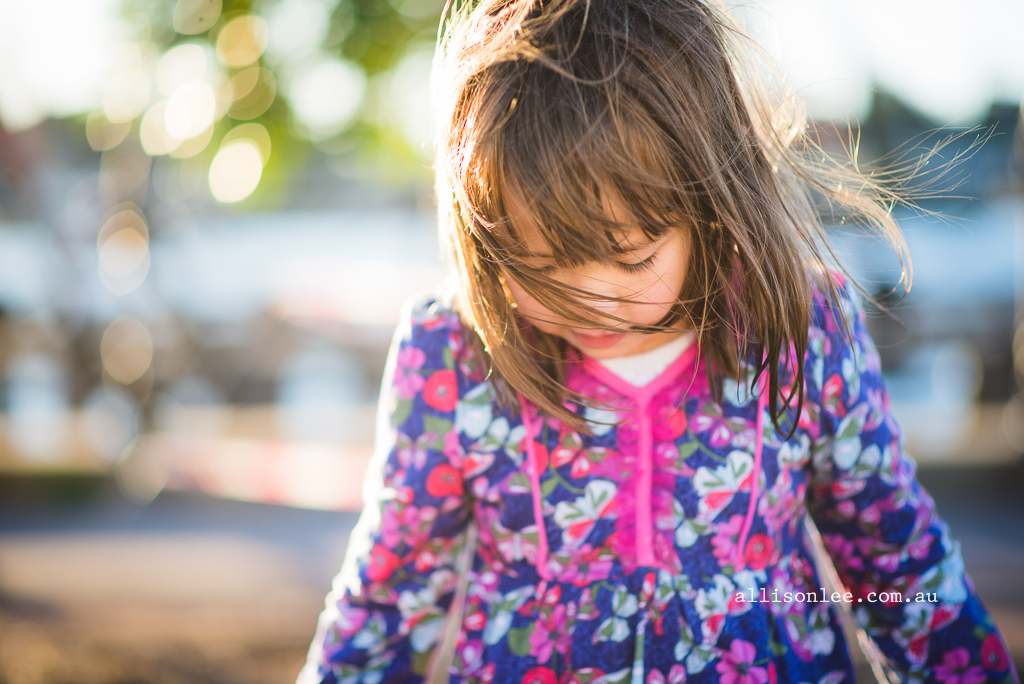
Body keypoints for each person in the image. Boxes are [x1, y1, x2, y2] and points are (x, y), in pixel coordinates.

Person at [299, 0, 1019, 682]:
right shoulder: (452, 356)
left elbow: (898, 568)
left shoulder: (801, 329)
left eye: (631, 258)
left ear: (708, 204)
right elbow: (387, 601)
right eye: (538, 264)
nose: (589, 297)